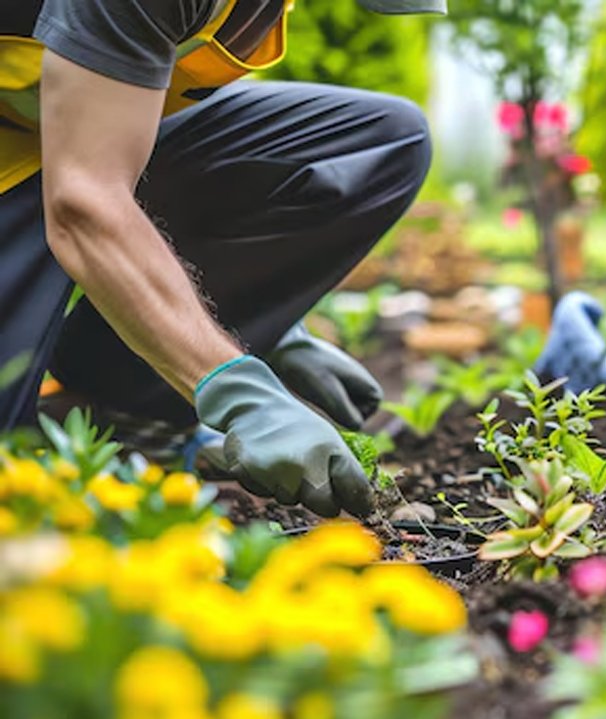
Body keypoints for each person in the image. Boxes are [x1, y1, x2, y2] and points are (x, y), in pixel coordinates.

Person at [0, 0, 445, 518]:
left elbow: (145, 105)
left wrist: (260, 316)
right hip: (27, 175)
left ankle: (127, 418)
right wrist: (237, 392)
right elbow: (84, 206)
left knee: (374, 144)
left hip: (54, 149)